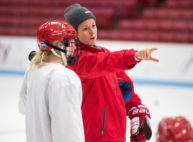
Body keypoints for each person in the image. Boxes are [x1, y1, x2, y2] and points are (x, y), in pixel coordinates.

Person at [64, 3, 159, 142]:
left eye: (93, 26)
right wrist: (134, 56)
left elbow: (124, 87)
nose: (92, 32)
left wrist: (135, 108)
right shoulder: (75, 60)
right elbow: (104, 62)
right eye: (85, 28)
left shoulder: (103, 52)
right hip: (94, 135)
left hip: (117, 133)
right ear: (74, 34)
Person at [18, 20, 85, 142]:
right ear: (59, 45)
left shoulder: (33, 70)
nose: (74, 46)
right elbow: (67, 130)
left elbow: (23, 107)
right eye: (70, 42)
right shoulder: (65, 77)